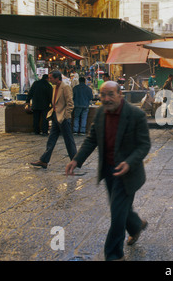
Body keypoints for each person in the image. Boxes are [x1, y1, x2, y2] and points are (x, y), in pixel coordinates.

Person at [65, 81, 151, 261]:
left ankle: (114, 255)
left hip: (128, 173)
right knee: (120, 208)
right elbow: (92, 139)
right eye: (103, 95)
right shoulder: (100, 114)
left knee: (117, 215)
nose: (106, 99)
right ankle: (136, 225)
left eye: (110, 94)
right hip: (109, 171)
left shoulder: (136, 115)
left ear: (120, 94)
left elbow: (144, 145)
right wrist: (76, 160)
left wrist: (129, 162)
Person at [30, 70, 77, 169]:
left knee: (69, 141)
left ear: (57, 78)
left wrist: (66, 116)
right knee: (51, 139)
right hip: (55, 116)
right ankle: (44, 160)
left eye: (51, 78)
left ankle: (75, 161)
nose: (49, 79)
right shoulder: (54, 87)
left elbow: (70, 103)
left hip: (63, 117)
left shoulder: (65, 87)